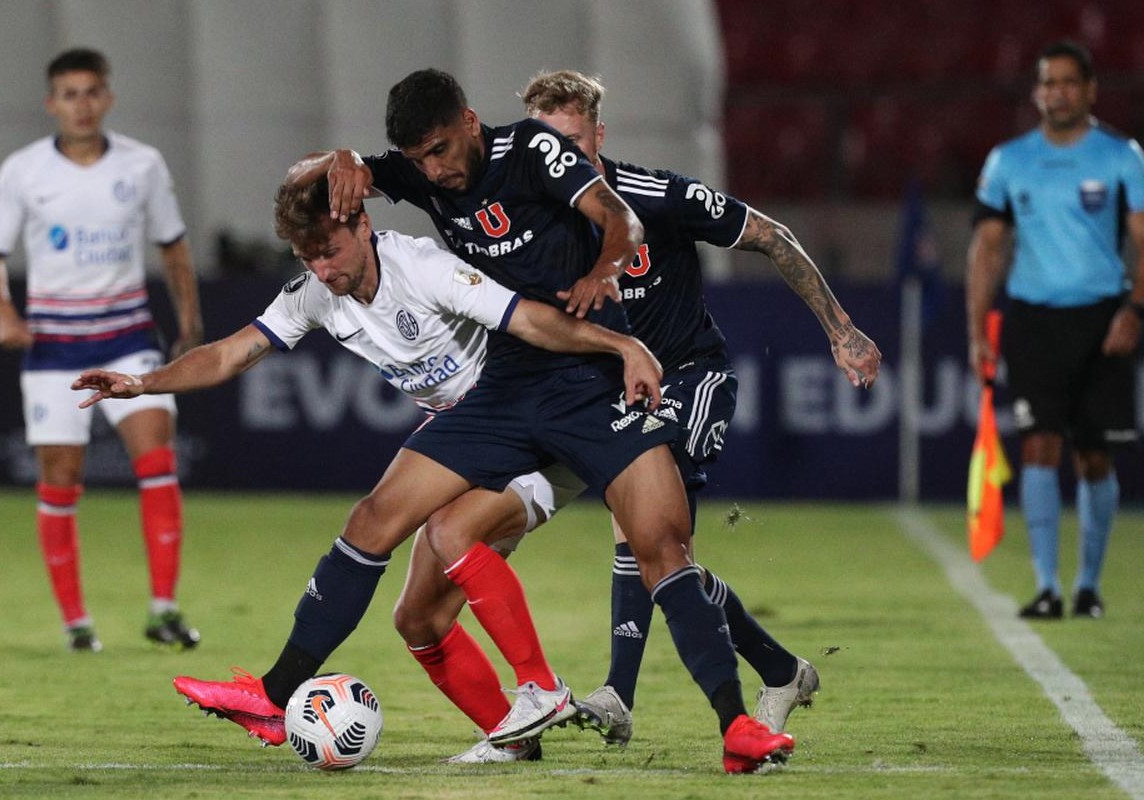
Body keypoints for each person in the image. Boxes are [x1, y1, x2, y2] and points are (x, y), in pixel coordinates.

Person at [175, 68, 799, 773]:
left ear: (470, 124)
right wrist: (340, 159)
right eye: (418, 161)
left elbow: (619, 218)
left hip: (591, 382)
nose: (434, 172)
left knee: (662, 552)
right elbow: (310, 185)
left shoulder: (532, 151)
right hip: (508, 384)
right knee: (376, 518)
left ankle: (736, 727)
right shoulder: (421, 175)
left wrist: (606, 276)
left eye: (441, 151)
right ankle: (274, 693)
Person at [381, 69, 881, 762]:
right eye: (548, 144)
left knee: (648, 535)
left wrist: (840, 328)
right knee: (649, 555)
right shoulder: (519, 204)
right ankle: (778, 670)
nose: (563, 157)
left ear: (599, 136)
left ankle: (621, 693)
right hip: (592, 392)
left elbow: (770, 235)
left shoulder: (650, 196)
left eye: (576, 143)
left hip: (685, 377)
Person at [73, 177, 658, 751]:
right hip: (465, 434)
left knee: (416, 524)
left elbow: (528, 319)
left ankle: (533, 687)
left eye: (329, 251)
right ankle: (511, 741)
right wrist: (142, 383)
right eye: (308, 257)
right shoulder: (315, 293)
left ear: (363, 224)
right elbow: (231, 353)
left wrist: (620, 345)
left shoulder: (422, 268)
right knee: (417, 620)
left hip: (531, 422)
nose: (322, 270)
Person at [0, 47, 204, 652]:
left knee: (156, 457)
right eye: (69, 94)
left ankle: (163, 608)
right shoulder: (24, 170)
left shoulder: (143, 165)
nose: (82, 104)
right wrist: (2, 315)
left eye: (91, 92)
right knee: (61, 477)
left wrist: (189, 319)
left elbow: (173, 247)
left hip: (128, 338)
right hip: (52, 345)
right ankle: (76, 622)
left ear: (108, 97)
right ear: (52, 103)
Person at [967, 39, 1144, 620]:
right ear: (1037, 92)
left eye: (1069, 82)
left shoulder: (1122, 157)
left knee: (1094, 456)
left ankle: (1088, 586)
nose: (1057, 92)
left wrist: (1135, 310)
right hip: (1034, 320)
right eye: (1048, 83)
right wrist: (977, 331)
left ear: (1090, 89)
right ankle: (1047, 586)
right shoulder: (1009, 161)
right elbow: (986, 250)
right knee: (1038, 447)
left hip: (1102, 319)